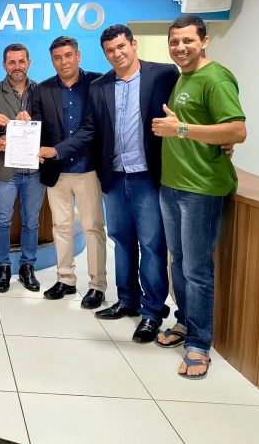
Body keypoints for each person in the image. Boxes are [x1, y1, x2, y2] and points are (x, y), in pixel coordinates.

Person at [152, 15, 246, 379]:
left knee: (196, 270)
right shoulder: (183, 77)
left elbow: (237, 130)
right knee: (178, 263)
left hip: (201, 189)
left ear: (204, 41)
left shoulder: (216, 78)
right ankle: (185, 322)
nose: (180, 47)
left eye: (188, 40)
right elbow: (213, 130)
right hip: (172, 186)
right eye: (174, 41)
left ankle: (199, 344)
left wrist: (181, 129)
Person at [80, 25, 178, 342]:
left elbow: (184, 113)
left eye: (121, 46)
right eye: (110, 50)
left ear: (133, 45)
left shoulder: (163, 75)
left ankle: (152, 312)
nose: (117, 54)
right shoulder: (99, 85)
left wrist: (217, 140)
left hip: (147, 175)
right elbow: (91, 130)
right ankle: (127, 301)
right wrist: (56, 151)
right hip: (114, 175)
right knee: (121, 241)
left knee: (151, 244)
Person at [33, 36, 107, 307]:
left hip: (88, 169)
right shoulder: (42, 89)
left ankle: (97, 286)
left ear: (78, 56)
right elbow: (37, 125)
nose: (63, 62)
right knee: (61, 228)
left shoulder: (97, 83)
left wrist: (56, 150)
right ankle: (65, 280)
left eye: (68, 55)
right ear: (52, 61)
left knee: (93, 228)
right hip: (57, 173)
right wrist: (26, 124)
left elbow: (92, 129)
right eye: (57, 58)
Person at [0, 43, 46, 293]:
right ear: (4, 65)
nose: (17, 66)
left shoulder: (42, 90)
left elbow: (50, 125)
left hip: (34, 169)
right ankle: (3, 266)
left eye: (21, 61)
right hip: (5, 169)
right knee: (2, 220)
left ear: (28, 63)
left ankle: (27, 266)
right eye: (12, 62)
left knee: (31, 220)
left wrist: (34, 122)